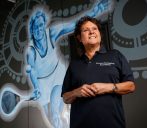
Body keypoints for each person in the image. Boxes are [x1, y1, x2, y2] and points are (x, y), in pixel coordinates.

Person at [25, 0, 114, 128]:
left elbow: (73, 24)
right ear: (32, 30)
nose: (39, 29)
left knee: (55, 112)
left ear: (44, 25)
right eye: (35, 27)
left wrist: (96, 11)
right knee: (52, 120)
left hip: (56, 75)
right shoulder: (30, 50)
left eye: (40, 25)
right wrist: (36, 88)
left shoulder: (51, 32)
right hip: (42, 83)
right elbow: (32, 69)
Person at [61, 16, 136, 128]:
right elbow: (66, 97)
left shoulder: (115, 56)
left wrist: (107, 87)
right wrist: (77, 92)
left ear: (100, 34)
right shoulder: (74, 65)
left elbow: (130, 86)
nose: (91, 32)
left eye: (94, 29)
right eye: (86, 30)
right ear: (79, 38)